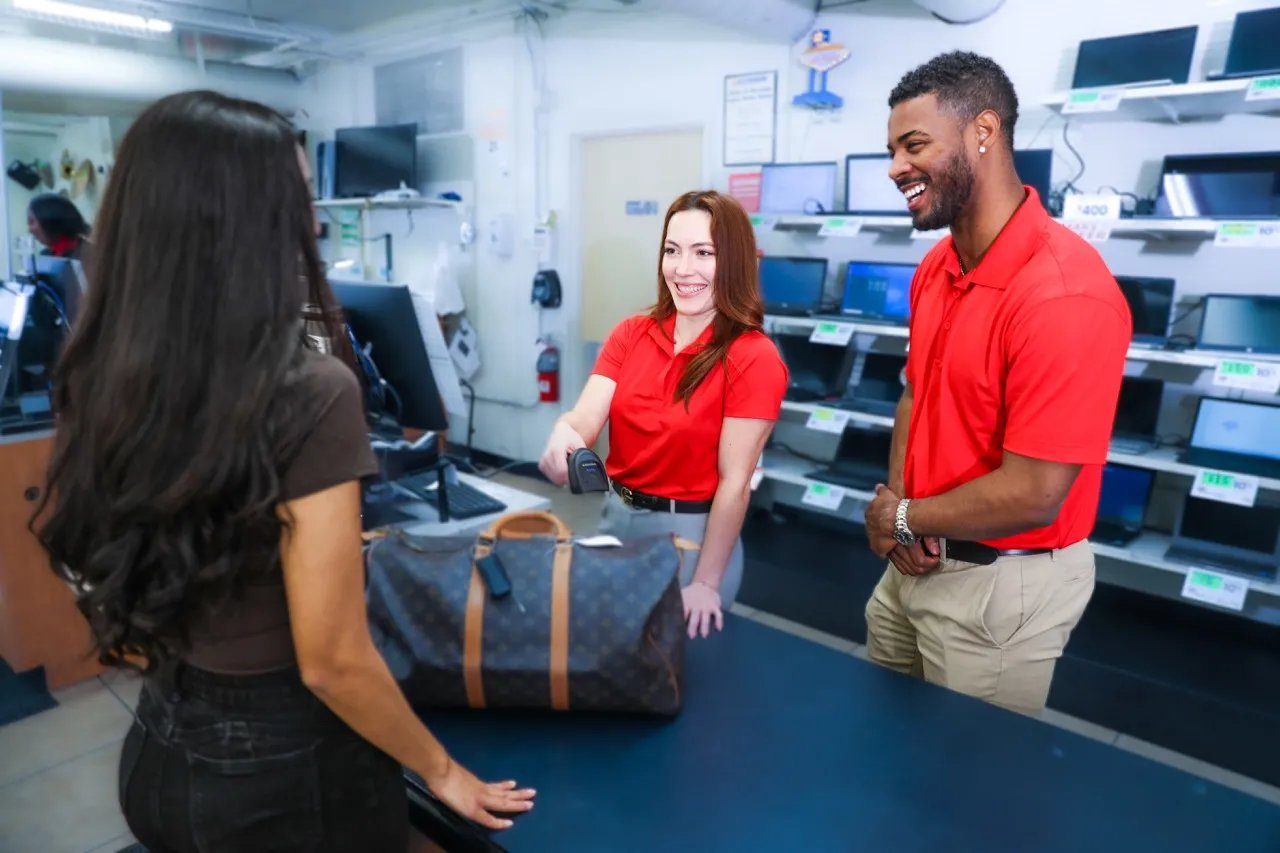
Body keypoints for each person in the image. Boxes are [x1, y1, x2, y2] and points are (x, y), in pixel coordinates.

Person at [33, 90, 533, 853]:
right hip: (286, 776)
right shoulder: (306, 390)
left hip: (160, 751)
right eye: (299, 200)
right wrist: (443, 770)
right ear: (241, 221)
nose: (316, 221)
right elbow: (333, 661)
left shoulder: (107, 370)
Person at [860, 52, 1131, 717]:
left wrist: (900, 516)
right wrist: (899, 507)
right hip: (914, 560)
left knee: (972, 797)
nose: (895, 166)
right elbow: (915, 395)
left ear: (984, 131)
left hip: (1000, 588)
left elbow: (1035, 493)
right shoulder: (937, 268)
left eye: (914, 144)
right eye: (892, 148)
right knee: (884, 758)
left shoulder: (1063, 293)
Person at [538, 190, 788, 639]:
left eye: (703, 253)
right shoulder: (632, 333)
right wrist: (563, 432)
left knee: (679, 682)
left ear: (732, 261)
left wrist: (706, 582)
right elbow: (585, 418)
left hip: (692, 540)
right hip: (616, 519)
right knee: (609, 658)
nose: (683, 268)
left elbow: (735, 484)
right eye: (672, 251)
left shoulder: (753, 357)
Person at [27, 192, 90, 259]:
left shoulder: (88, 251)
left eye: (31, 222)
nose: (30, 230)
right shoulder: (45, 256)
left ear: (49, 220)